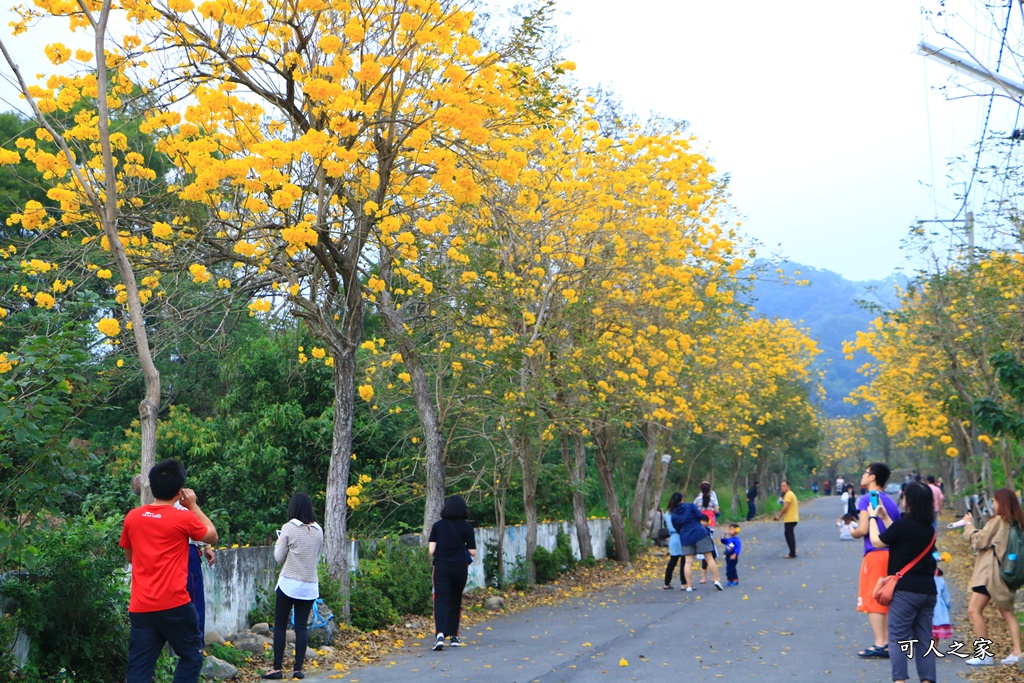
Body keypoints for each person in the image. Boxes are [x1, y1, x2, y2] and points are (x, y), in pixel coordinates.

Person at [119, 459, 218, 683]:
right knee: (191, 656)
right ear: (179, 491)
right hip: (175, 606)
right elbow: (211, 535)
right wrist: (193, 505)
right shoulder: (183, 517)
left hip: (141, 606)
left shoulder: (133, 517)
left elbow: (129, 556)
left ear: (152, 486)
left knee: (139, 669)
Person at [867, 481, 937, 683]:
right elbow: (899, 535)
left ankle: (900, 680)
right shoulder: (929, 529)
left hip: (905, 592)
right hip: (927, 591)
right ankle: (927, 680)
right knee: (924, 640)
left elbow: (877, 541)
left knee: (897, 638)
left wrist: (872, 517)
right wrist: (885, 517)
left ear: (909, 501)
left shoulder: (904, 525)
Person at [132, 473, 215, 642]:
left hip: (184, 552)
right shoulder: (143, 511)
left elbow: (199, 528)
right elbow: (207, 530)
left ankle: (194, 642)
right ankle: (186, 644)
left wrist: (205, 545)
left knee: (190, 599)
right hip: (171, 553)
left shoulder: (177, 503)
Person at [960, 487, 1024, 666]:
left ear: (1001, 503)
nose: (992, 504)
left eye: (994, 501)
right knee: (1007, 611)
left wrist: (968, 525)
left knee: (974, 610)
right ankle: (1018, 652)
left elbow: (980, 541)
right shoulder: (1017, 522)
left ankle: (984, 653)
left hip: (990, 575)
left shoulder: (998, 521)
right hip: (1006, 574)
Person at [263, 492, 323, 680]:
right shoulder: (319, 530)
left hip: (289, 583)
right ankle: (298, 670)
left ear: (293, 508)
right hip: (309, 585)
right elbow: (316, 555)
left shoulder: (288, 528)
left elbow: (279, 557)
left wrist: (279, 542)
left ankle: (277, 668)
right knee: (301, 628)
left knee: (280, 625)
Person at [851, 462, 900, 659]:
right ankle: (888, 641)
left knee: (873, 597)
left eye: (865, 473)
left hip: (875, 553)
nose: (862, 476)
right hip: (892, 554)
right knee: (887, 597)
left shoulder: (866, 499)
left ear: (872, 477)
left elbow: (863, 529)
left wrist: (852, 532)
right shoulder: (890, 501)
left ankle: (882, 643)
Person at [428, 495, 477, 651]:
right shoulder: (467, 527)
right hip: (460, 568)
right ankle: (454, 636)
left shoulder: (437, 526)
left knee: (440, 599)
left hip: (442, 567)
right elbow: (473, 552)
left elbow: (431, 551)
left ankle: (440, 635)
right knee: (455, 600)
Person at [670, 491, 723, 591]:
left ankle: (689, 585)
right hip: (699, 533)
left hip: (685, 537)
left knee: (688, 562)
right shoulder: (690, 506)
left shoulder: (674, 515)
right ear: (682, 499)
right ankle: (717, 579)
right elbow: (700, 516)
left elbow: (677, 528)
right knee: (709, 558)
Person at [662, 493, 686, 589]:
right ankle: (684, 583)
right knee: (684, 561)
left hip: (672, 537)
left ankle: (666, 583)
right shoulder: (681, 511)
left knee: (673, 561)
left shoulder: (668, 512)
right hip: (681, 536)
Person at [774, 481, 799, 558]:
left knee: (789, 535)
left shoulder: (788, 494)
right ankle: (793, 552)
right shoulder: (789, 494)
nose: (782, 488)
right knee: (789, 535)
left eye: (784, 486)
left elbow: (786, 506)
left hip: (790, 518)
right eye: (781, 486)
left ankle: (792, 553)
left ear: (788, 486)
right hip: (792, 518)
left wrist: (779, 515)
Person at [932, 568, 953, 646]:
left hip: (927, 605)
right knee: (936, 629)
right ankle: (935, 647)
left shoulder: (922, 578)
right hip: (938, 608)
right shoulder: (941, 580)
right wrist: (947, 606)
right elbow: (946, 595)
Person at [696, 515, 718, 584]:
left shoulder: (709, 530)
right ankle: (704, 577)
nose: (704, 523)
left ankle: (715, 577)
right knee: (704, 564)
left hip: (711, 548)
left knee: (712, 562)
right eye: (702, 521)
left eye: (705, 521)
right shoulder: (698, 530)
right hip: (703, 548)